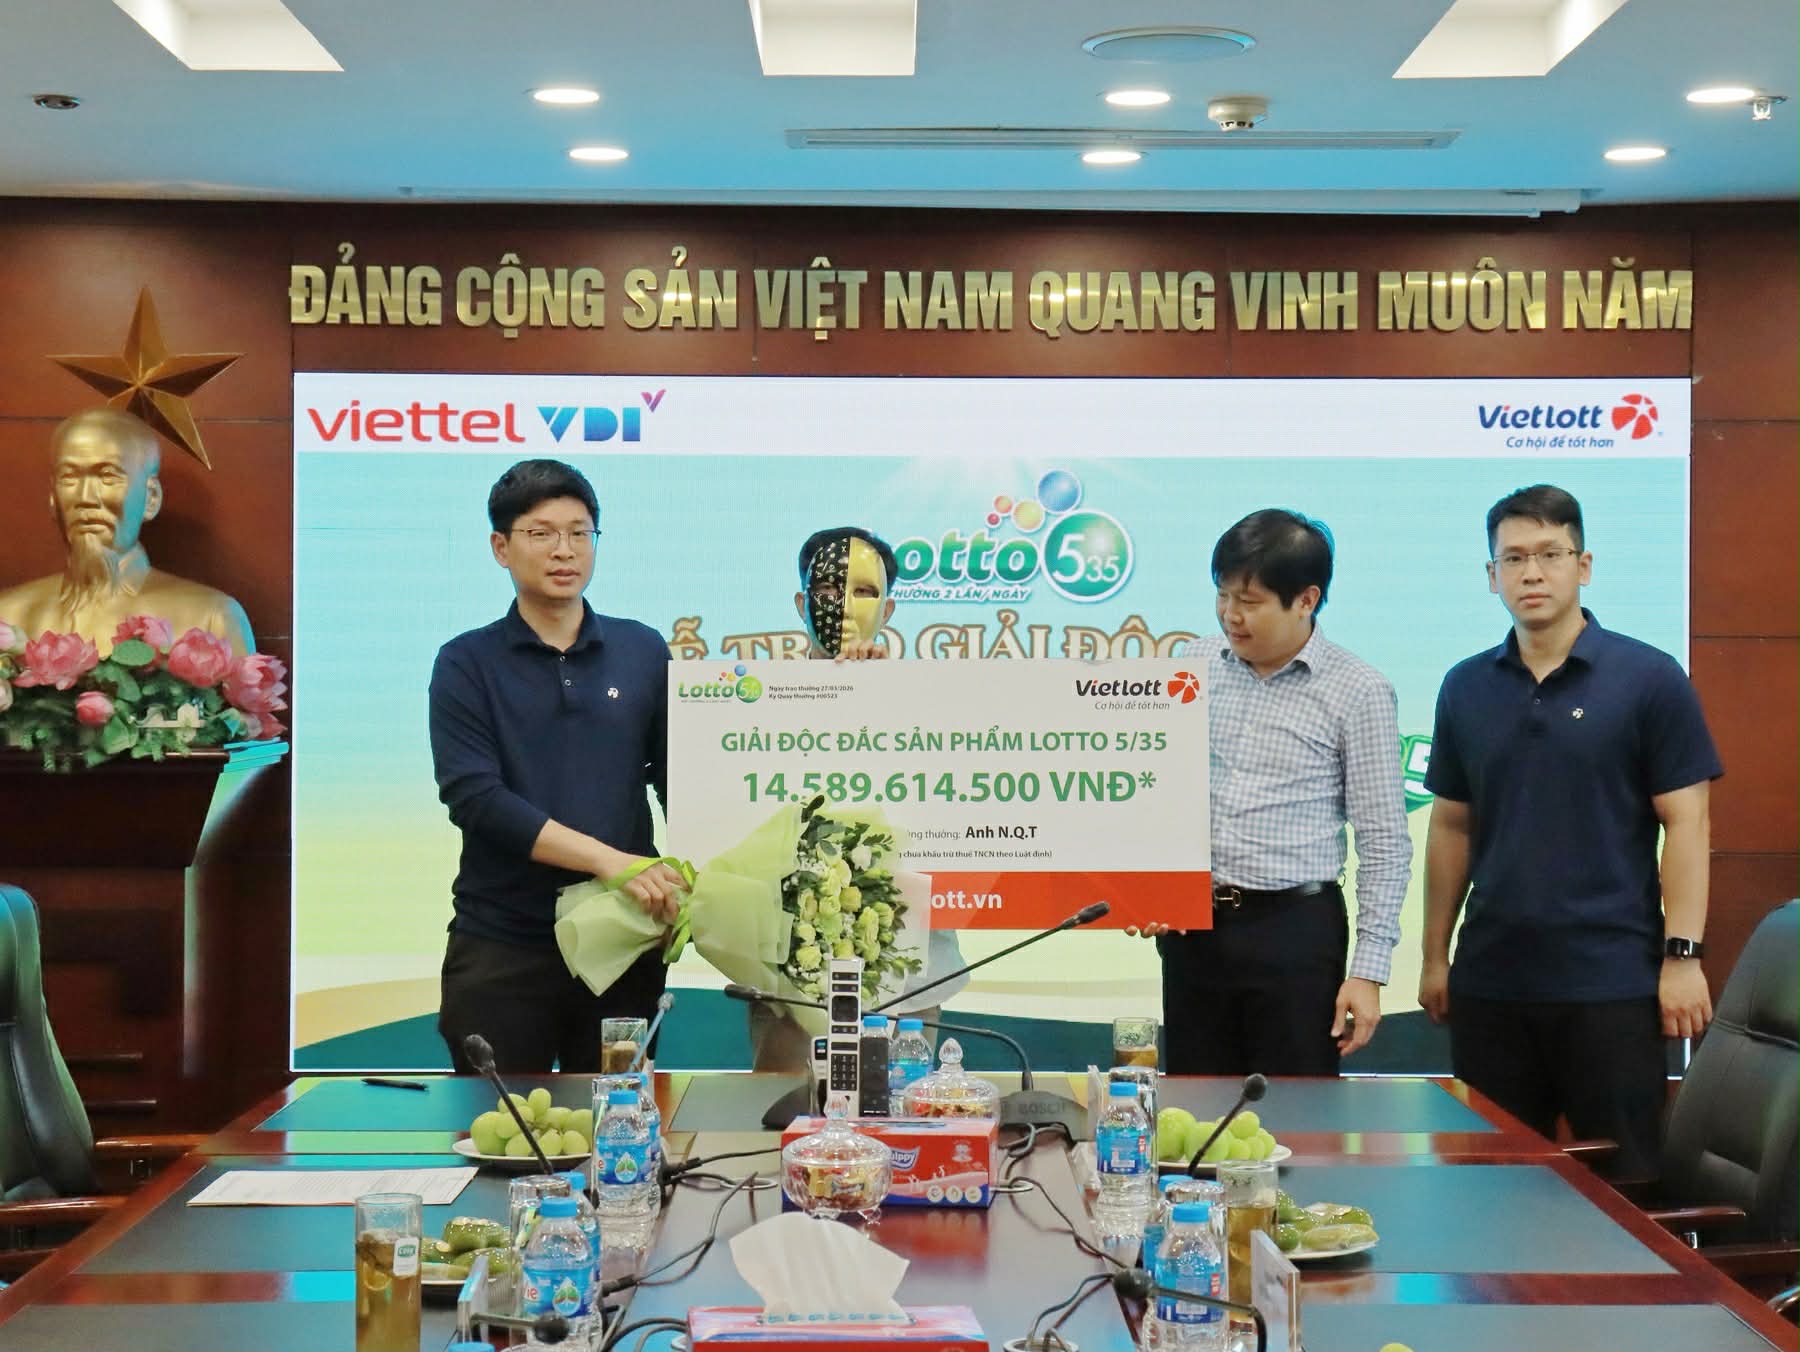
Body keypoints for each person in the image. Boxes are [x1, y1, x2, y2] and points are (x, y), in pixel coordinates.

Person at [1419, 484, 1720, 1178]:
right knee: (1492, 1184)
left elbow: (1688, 821)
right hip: (1492, 983)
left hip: (1611, 983)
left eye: (1550, 554)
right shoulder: (1465, 686)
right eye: (1514, 558)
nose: (1532, 573)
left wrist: (1683, 957)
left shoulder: (1649, 678)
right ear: (1490, 575)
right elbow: (1452, 826)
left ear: (1583, 566)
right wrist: (1436, 956)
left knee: (1625, 1186)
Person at [429, 459, 688, 1073]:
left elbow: (679, 778)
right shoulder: (466, 662)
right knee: (498, 1122)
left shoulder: (643, 649)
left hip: (622, 938)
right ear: (501, 547)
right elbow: (476, 799)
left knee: (619, 1119)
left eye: (580, 533)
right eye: (541, 533)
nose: (564, 550)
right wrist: (608, 860)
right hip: (503, 941)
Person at [1136, 509, 1412, 1076]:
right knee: (1195, 1102)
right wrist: (1154, 888)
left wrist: (1368, 970)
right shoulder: (1192, 663)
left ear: (1306, 599)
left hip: (1295, 931)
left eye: (1250, 601)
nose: (1230, 615)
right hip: (1195, 932)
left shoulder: (1359, 690)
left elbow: (1384, 841)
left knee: (1296, 1107)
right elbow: (1163, 793)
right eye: (1222, 595)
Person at [745, 526, 967, 1071]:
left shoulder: (938, 705)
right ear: (801, 605)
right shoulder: (754, 705)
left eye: (864, 592)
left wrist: (881, 695)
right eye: (826, 591)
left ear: (888, 609)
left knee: (905, 1104)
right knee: (787, 1105)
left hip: (909, 960)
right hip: (789, 958)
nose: (843, 605)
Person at [0, 408, 254, 655]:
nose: (86, 498)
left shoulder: (210, 618)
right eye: (69, 478)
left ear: (151, 498)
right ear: (53, 498)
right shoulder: (8, 617)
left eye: (107, 477)